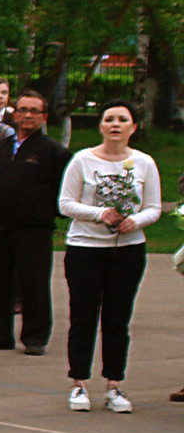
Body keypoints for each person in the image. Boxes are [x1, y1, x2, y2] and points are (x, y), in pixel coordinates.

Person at [60, 100, 158, 414]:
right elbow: (66, 204)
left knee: (117, 319)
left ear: (133, 127)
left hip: (127, 250)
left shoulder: (143, 163)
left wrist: (136, 221)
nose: (115, 125)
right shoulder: (82, 160)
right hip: (85, 249)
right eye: (109, 119)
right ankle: (78, 383)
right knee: (83, 316)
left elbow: (154, 207)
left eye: (122, 119)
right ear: (101, 126)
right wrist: (99, 213)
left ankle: (114, 384)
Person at [0, 92, 67, 355]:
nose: (27, 116)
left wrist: (45, 212)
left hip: (33, 228)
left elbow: (62, 190)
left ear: (44, 117)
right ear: (15, 114)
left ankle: (35, 336)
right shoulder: (1, 146)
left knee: (33, 283)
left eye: (34, 111)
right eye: (22, 110)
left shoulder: (52, 151)